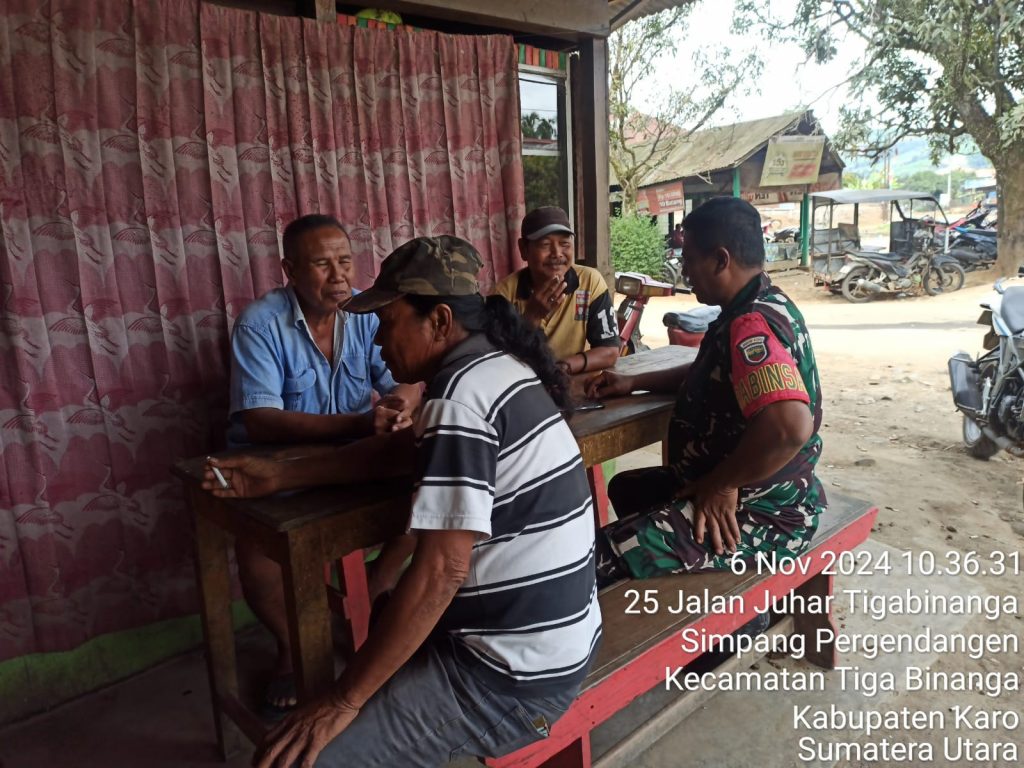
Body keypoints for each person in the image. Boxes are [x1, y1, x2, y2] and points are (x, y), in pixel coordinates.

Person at [203, 236, 602, 768]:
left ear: (439, 321)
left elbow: (442, 571)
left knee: (300, 759)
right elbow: (402, 452)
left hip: (509, 680)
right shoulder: (497, 367)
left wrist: (342, 701)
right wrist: (278, 475)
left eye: (387, 323)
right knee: (389, 613)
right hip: (556, 644)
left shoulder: (459, 398)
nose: (378, 341)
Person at [227, 213, 421, 714]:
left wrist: (400, 404)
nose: (338, 276)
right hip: (279, 463)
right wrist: (360, 423)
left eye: (345, 262)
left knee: (431, 481)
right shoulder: (260, 323)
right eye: (321, 264)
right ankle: (292, 646)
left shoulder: (363, 313)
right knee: (257, 552)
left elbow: (404, 378)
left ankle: (374, 593)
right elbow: (260, 420)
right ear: (289, 270)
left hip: (351, 455)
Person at [586, 197, 826, 580]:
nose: (685, 271)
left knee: (596, 556)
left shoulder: (749, 325)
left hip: (763, 513)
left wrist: (722, 485)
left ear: (720, 260)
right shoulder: (767, 301)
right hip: (746, 487)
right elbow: (713, 372)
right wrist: (632, 382)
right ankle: (671, 574)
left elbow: (789, 428)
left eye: (689, 259)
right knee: (629, 488)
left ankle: (712, 602)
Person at [493, 206, 620, 376]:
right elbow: (498, 363)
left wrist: (562, 368)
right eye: (545, 245)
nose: (557, 253)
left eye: (564, 244)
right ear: (524, 249)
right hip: (525, 385)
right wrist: (532, 317)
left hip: (573, 380)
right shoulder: (503, 295)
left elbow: (610, 351)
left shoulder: (589, 282)